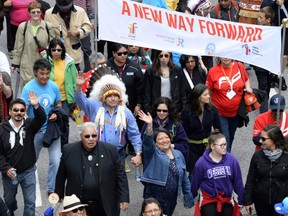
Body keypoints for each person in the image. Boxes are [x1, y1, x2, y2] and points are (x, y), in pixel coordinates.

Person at [55, 122, 129, 215]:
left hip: (105, 204)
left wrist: (124, 197)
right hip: (78, 206)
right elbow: (61, 175)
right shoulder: (69, 150)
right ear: (81, 136)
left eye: (94, 136)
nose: (91, 139)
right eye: (87, 136)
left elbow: (121, 175)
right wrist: (58, 195)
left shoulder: (110, 150)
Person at [74, 66, 142, 166]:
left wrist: (138, 153)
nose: (113, 98)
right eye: (109, 96)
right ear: (104, 98)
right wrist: (78, 87)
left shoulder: (126, 112)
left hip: (118, 154)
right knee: (95, 180)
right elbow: (81, 100)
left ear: (120, 97)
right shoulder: (95, 106)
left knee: (117, 181)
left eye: (116, 95)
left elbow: (134, 134)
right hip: (95, 151)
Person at [138, 112, 194, 216]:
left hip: (171, 197)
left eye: (166, 137)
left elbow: (184, 178)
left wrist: (188, 196)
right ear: (155, 142)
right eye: (160, 139)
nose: (164, 140)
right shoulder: (152, 152)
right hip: (154, 195)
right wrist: (149, 126)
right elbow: (147, 142)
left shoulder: (178, 154)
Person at [20, 58, 62, 195]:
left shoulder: (53, 86)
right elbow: (22, 110)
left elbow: (58, 104)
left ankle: (51, 189)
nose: (45, 76)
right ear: (35, 73)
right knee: (31, 161)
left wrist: (56, 113)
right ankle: (29, 185)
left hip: (52, 129)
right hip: (36, 131)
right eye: (42, 73)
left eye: (47, 73)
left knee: (56, 161)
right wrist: (29, 123)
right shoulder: (28, 88)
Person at [0, 95, 46, 216]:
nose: (18, 113)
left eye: (21, 110)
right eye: (15, 110)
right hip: (10, 174)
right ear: (10, 112)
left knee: (31, 203)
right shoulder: (1, 129)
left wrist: (36, 105)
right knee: (9, 201)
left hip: (28, 171)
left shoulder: (30, 125)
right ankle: (12, 210)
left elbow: (41, 119)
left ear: (24, 112)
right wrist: (5, 168)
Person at [191, 130, 244, 216]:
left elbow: (238, 181)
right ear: (212, 146)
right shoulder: (201, 163)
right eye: (221, 145)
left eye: (225, 144)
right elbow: (195, 182)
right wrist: (190, 198)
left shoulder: (232, 160)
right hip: (208, 198)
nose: (224, 147)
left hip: (226, 198)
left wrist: (242, 199)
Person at [206, 58, 252, 151]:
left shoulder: (240, 66)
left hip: (236, 112)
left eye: (228, 55)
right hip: (219, 113)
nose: (226, 58)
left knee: (231, 137)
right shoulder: (213, 71)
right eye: (223, 55)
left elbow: (246, 79)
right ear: (219, 57)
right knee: (224, 139)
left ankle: (225, 155)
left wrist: (248, 87)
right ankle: (226, 161)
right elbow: (208, 90)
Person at [11, 1, 55, 96]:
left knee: (42, 90)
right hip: (27, 63)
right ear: (29, 13)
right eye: (33, 12)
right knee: (28, 92)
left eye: (38, 12)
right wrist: (15, 63)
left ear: (41, 13)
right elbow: (18, 46)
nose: (36, 14)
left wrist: (47, 51)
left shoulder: (48, 27)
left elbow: (53, 45)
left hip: (43, 64)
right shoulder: (23, 27)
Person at [244, 125, 288, 216]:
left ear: (273, 140)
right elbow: (251, 179)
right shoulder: (257, 156)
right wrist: (248, 201)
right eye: (260, 138)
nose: (260, 141)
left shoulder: (286, 156)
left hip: (281, 203)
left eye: (263, 139)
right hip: (261, 201)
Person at [181, 84, 221, 175]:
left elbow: (218, 128)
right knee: (194, 173)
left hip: (207, 147)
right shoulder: (186, 111)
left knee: (208, 173)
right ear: (198, 97)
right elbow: (183, 132)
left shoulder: (212, 109)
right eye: (205, 95)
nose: (209, 96)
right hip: (191, 147)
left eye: (208, 94)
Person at [46, 38, 77, 147]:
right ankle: (51, 143)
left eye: (59, 50)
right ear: (50, 50)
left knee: (64, 123)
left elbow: (74, 82)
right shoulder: (45, 61)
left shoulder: (69, 63)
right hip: (49, 98)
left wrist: (74, 99)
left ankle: (64, 147)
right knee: (50, 121)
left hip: (64, 98)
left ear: (63, 50)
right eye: (53, 50)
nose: (56, 52)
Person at [44, 0, 91, 70]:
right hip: (57, 55)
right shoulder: (49, 14)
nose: (65, 9)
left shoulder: (80, 11)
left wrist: (78, 32)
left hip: (74, 55)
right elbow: (47, 34)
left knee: (74, 78)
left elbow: (88, 27)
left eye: (67, 7)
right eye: (62, 8)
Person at [141, 97, 189, 162]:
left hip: (171, 160)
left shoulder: (176, 125)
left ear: (169, 111)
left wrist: (172, 146)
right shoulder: (149, 122)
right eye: (159, 110)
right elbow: (143, 142)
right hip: (152, 160)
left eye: (165, 111)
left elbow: (184, 145)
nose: (161, 113)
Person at [107, 43, 144, 116]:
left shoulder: (135, 67)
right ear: (114, 54)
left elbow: (141, 88)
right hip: (110, 107)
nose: (123, 56)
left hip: (131, 107)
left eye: (125, 53)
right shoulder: (106, 67)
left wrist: (139, 105)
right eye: (120, 54)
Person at [72, 0, 94, 72]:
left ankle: (88, 69)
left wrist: (91, 21)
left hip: (83, 20)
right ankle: (74, 69)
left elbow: (90, 6)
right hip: (70, 20)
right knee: (72, 47)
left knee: (86, 48)